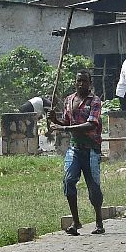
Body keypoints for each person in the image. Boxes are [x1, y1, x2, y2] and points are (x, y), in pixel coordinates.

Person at [49, 70, 106, 235]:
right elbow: (67, 122)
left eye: (84, 81)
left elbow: (91, 124)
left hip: (91, 150)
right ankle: (76, 221)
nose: (81, 84)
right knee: (68, 181)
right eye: (78, 81)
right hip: (74, 148)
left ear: (90, 83)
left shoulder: (95, 101)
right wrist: (55, 120)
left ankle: (99, 222)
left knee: (93, 187)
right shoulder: (69, 99)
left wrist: (63, 127)